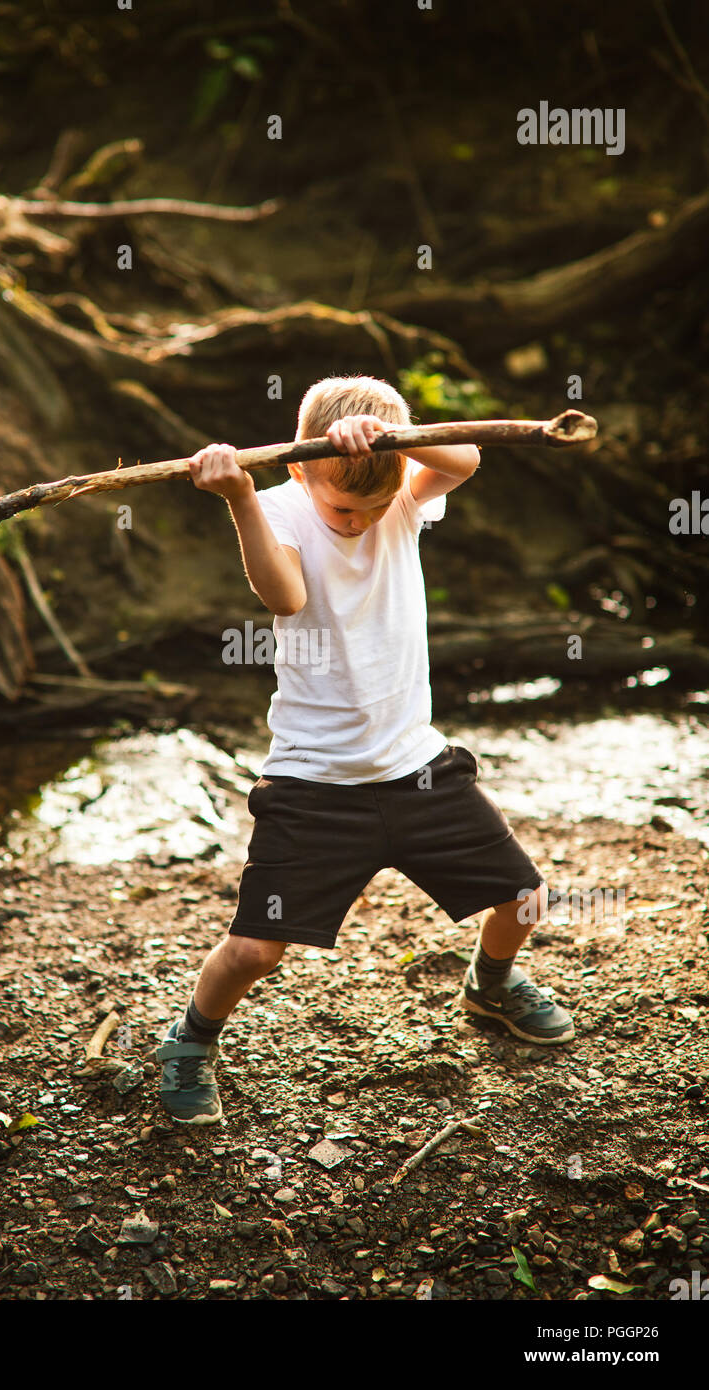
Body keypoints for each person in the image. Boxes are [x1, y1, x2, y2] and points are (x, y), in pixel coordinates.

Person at [155, 375, 573, 1125]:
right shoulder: (280, 505)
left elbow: (468, 458)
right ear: (299, 468)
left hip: (418, 769)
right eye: (344, 507)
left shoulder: (402, 498)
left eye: (374, 508)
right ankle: (191, 1040)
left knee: (525, 900)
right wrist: (238, 498)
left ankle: (489, 986)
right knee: (254, 952)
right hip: (313, 785)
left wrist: (396, 444)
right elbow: (284, 597)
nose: (359, 521)